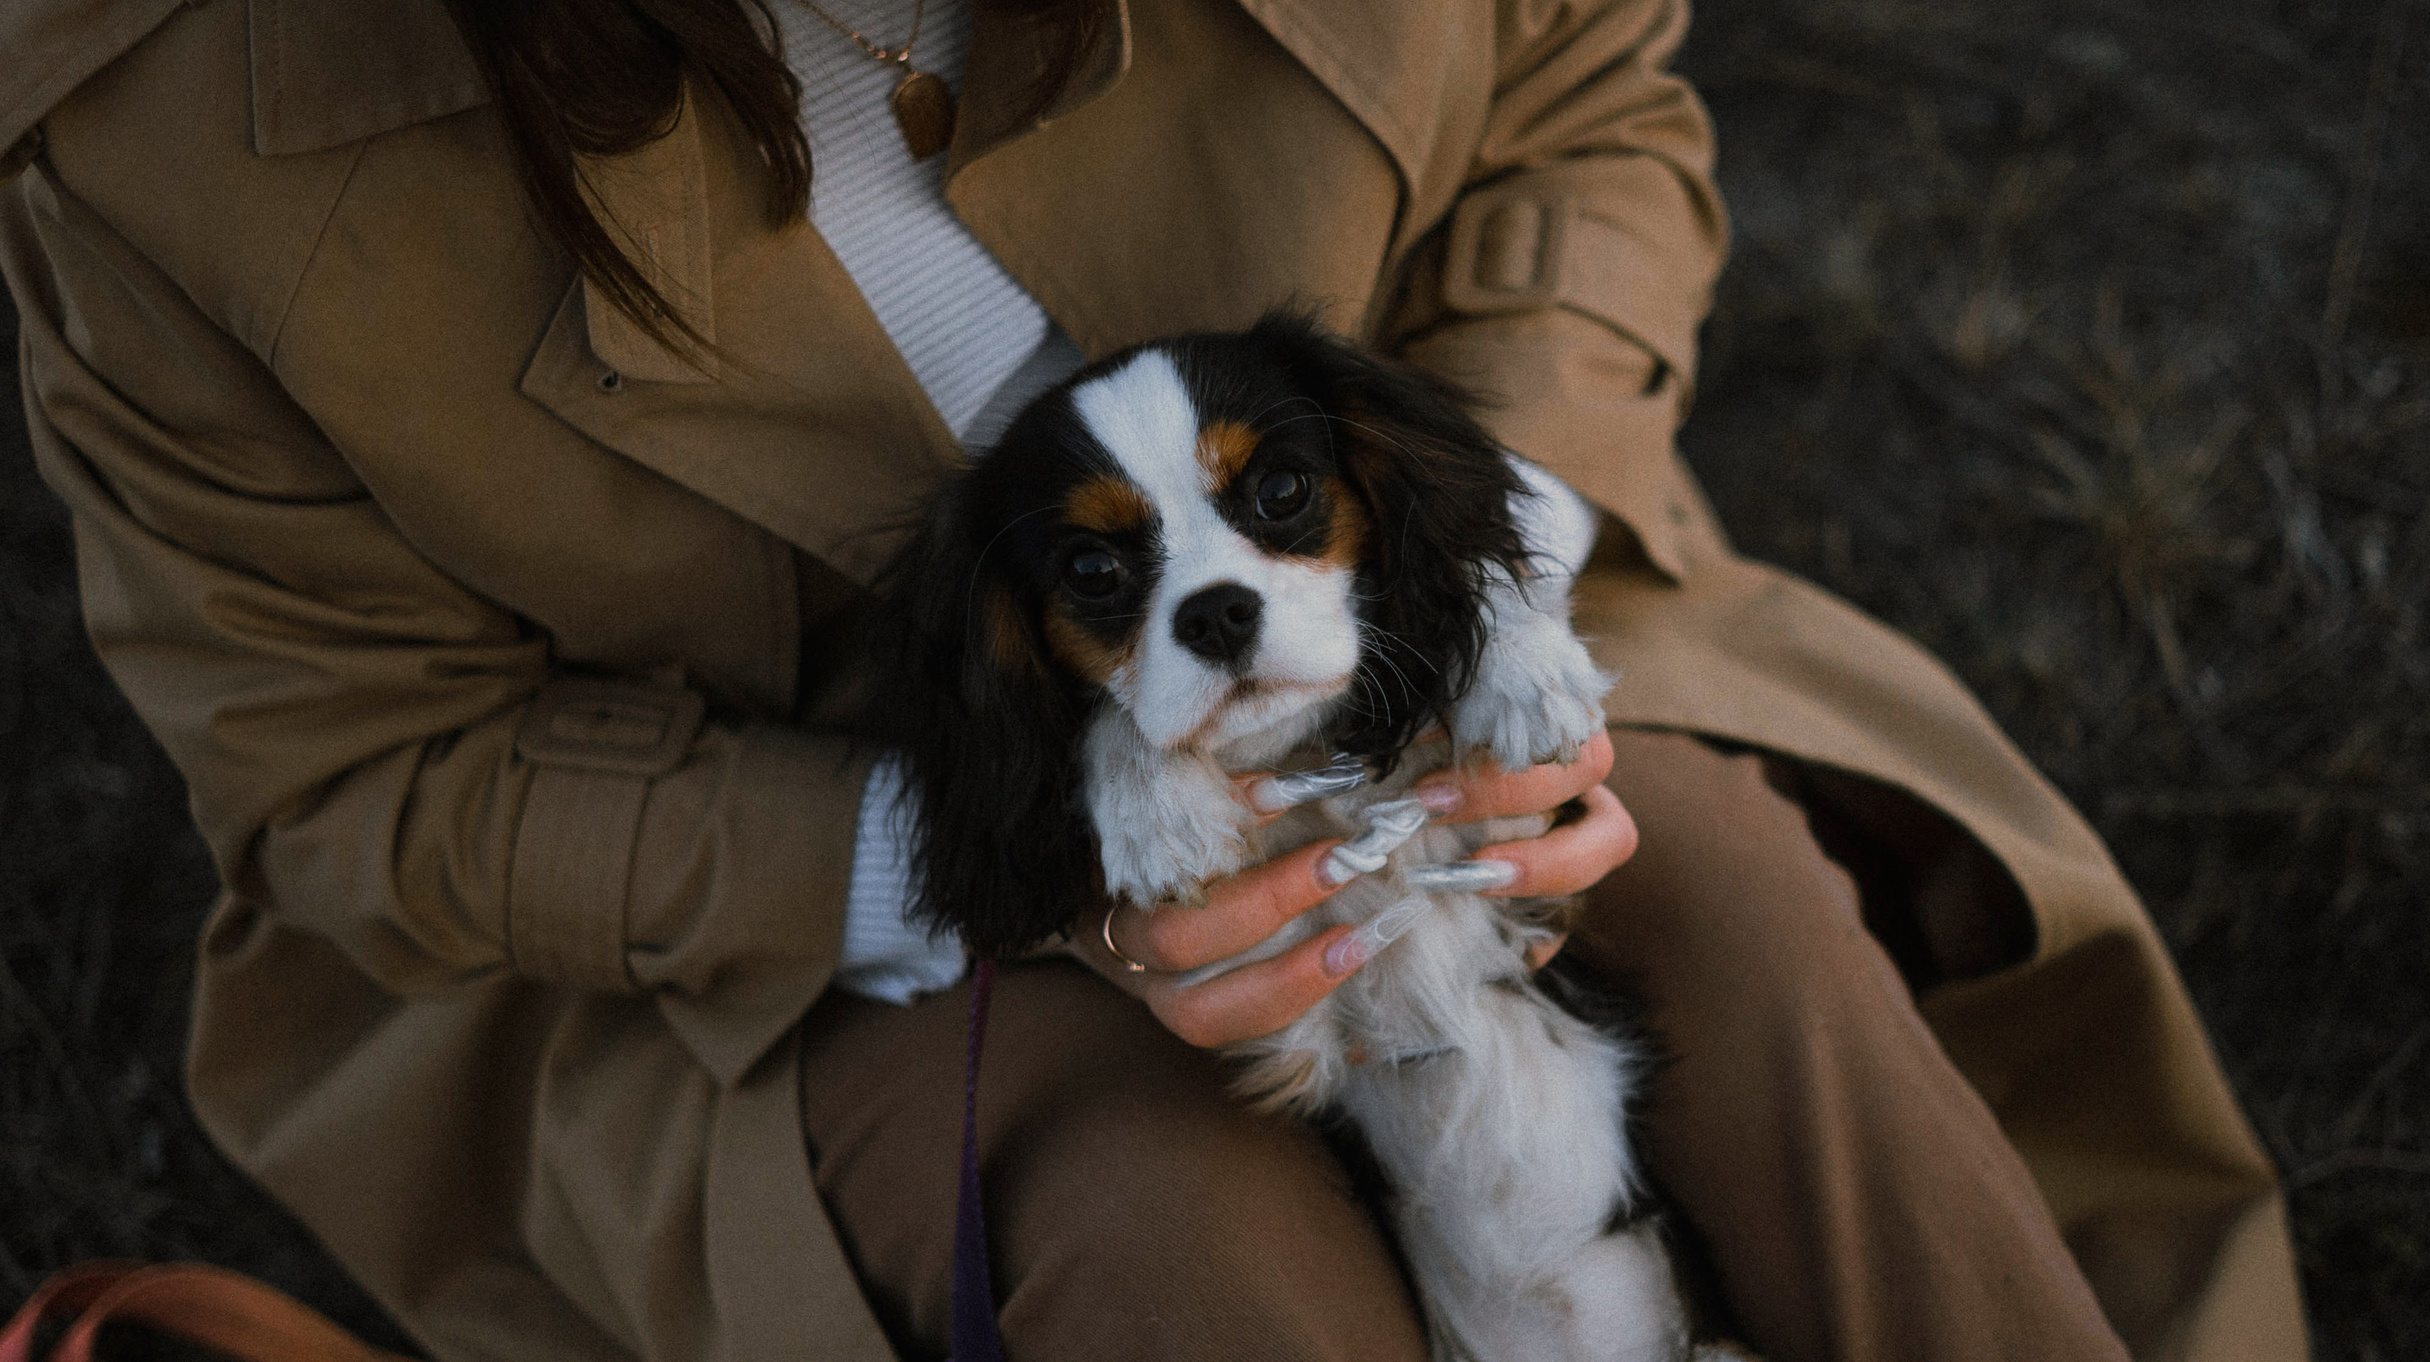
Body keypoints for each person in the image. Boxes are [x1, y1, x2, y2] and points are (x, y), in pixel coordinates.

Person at [0, 0, 2307, 1358]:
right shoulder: (161, 123)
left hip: (1414, 617)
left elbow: (1577, 95)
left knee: (1733, 906)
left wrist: (1475, 576)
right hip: (773, 911)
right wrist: (999, 856)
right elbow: (362, 777)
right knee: (1173, 1226)